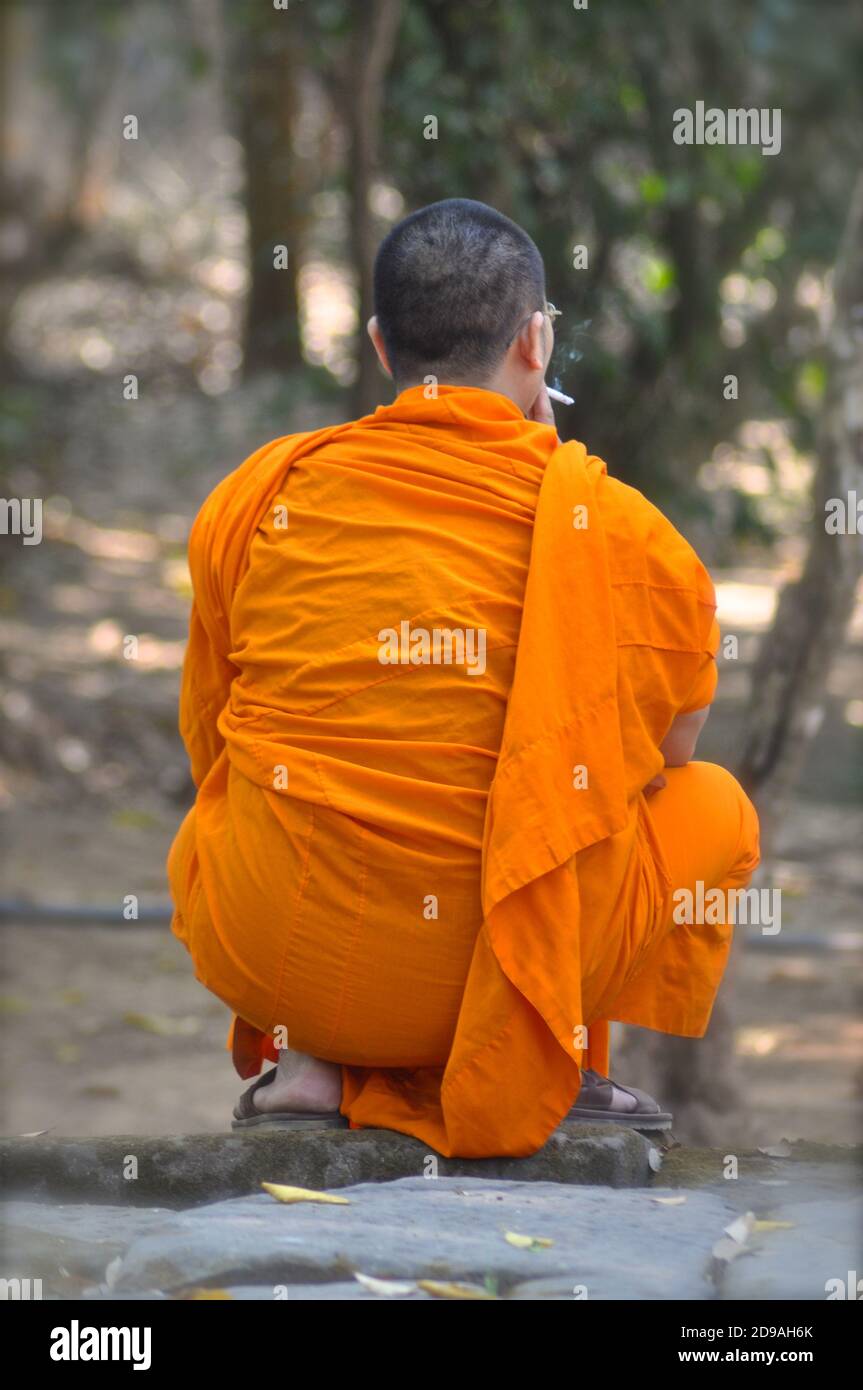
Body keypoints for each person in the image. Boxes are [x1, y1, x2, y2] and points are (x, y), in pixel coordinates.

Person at [168, 198, 760, 1158]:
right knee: (714, 806)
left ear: (377, 344)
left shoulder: (262, 493)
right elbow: (662, 758)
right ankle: (542, 1054)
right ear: (536, 341)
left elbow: (211, 730)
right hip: (506, 966)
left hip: (284, 951)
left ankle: (317, 1059)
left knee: (235, 800)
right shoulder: (620, 532)